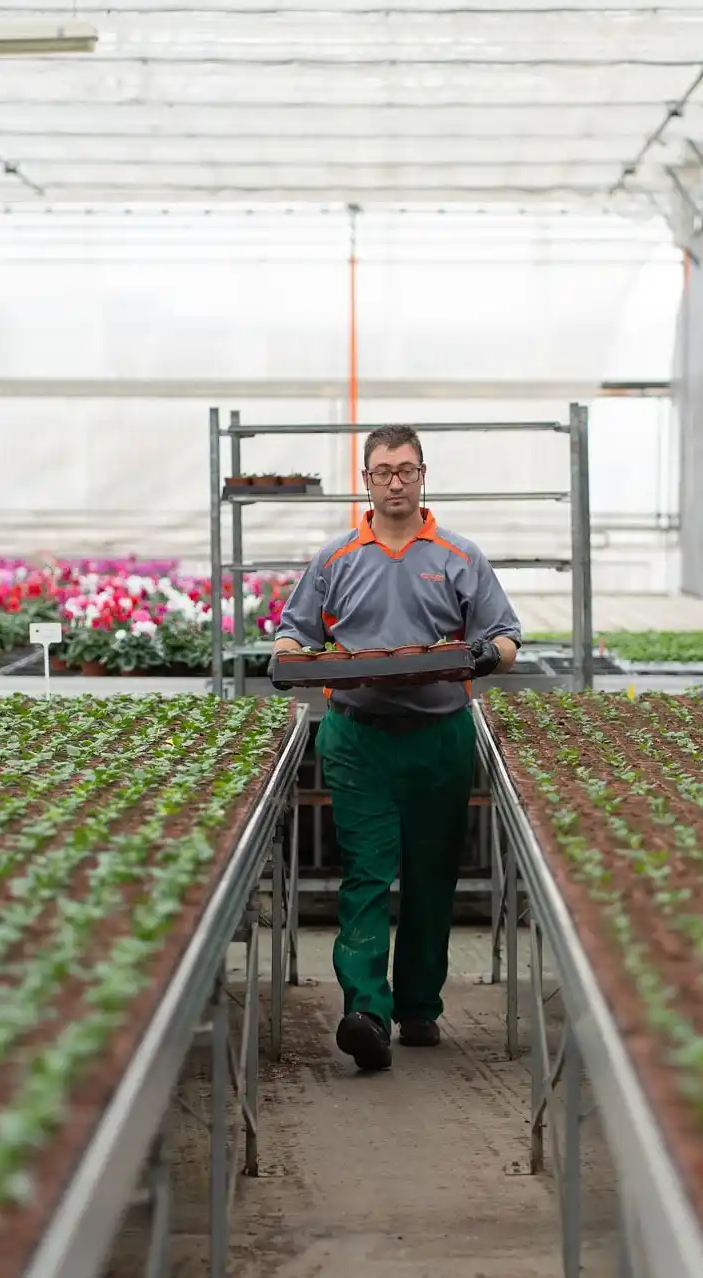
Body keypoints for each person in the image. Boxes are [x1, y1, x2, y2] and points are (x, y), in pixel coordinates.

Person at [271, 424, 522, 1071]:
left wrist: (478, 655)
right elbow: (290, 639)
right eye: (382, 471)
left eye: (405, 469)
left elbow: (505, 639)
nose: (394, 481)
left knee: (432, 877)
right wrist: (294, 662)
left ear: (422, 474)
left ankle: (417, 1007)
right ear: (365, 479)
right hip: (358, 736)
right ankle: (365, 1011)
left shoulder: (459, 557)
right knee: (366, 872)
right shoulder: (334, 560)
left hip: (439, 736)